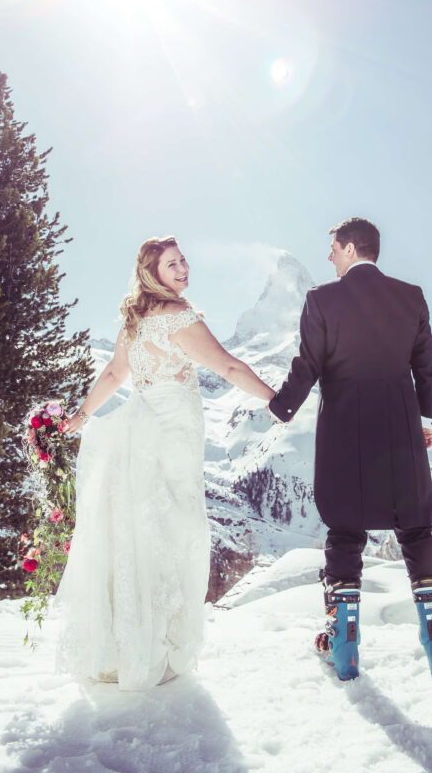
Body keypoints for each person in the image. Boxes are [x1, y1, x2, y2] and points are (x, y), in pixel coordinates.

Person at [56, 236, 275, 690]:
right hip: (171, 438)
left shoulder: (134, 324)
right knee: (176, 534)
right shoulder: (178, 317)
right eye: (171, 264)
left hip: (141, 431)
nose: (182, 268)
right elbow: (229, 368)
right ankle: (156, 647)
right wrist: (278, 401)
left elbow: (117, 374)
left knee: (141, 533)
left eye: (183, 260)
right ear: (151, 273)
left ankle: (127, 645)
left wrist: (81, 416)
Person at [268, 217, 432, 680]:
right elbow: (425, 366)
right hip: (401, 430)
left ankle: (344, 643)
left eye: (332, 247)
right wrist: (427, 419)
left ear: (351, 248)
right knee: (415, 529)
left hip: (343, 436)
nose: (329, 256)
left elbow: (307, 365)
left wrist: (280, 407)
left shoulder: (321, 300)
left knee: (345, 532)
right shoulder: (410, 296)